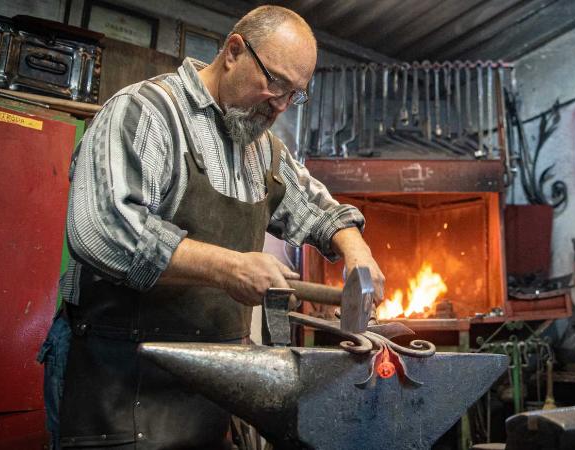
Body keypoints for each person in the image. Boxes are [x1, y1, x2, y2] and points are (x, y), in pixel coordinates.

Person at [37, 5, 384, 449]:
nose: (280, 104)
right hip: (120, 380)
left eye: (294, 94)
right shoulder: (143, 113)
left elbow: (315, 206)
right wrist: (228, 268)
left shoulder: (260, 146)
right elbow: (102, 231)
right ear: (234, 51)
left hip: (210, 389)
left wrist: (357, 252)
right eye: (274, 82)